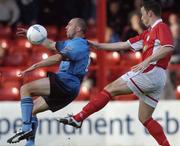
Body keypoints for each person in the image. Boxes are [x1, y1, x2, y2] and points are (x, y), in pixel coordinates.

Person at [58, 1, 173, 146]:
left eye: (142, 14)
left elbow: (168, 48)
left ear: (150, 13)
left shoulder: (161, 27)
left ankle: (79, 117)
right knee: (145, 118)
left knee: (110, 88)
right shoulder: (147, 33)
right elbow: (123, 44)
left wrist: (147, 60)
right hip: (157, 77)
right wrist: (98, 46)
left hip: (151, 72)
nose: (141, 17)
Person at [7, 18, 90, 146]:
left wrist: (34, 66)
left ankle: (25, 128)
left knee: (25, 89)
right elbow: (51, 45)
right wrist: (33, 34)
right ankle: (30, 143)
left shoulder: (78, 44)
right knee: (32, 110)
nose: (66, 27)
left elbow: (58, 58)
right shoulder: (73, 43)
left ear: (78, 28)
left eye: (70, 25)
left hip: (66, 82)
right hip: (70, 88)